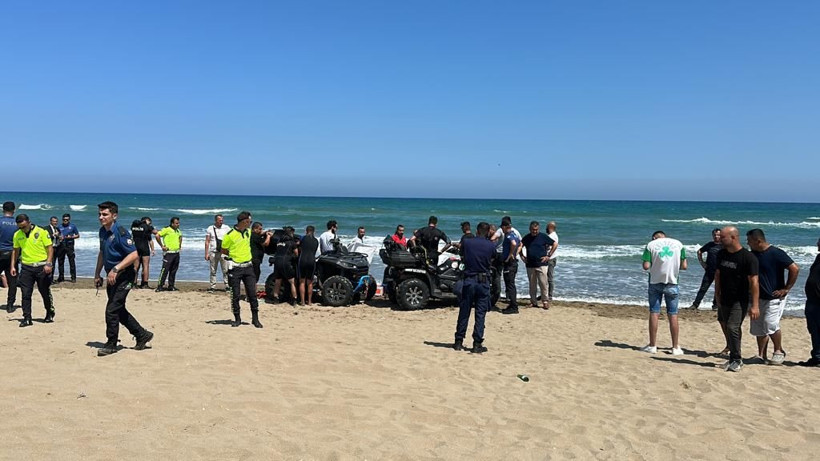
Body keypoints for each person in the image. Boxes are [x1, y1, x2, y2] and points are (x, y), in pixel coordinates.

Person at [94, 201, 154, 356]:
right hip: (111, 276)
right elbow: (102, 253)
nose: (101, 217)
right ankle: (142, 334)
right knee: (118, 309)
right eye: (100, 214)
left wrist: (116, 269)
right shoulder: (102, 231)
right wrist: (97, 274)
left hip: (125, 275)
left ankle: (111, 344)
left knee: (111, 310)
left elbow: (134, 254)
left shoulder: (121, 233)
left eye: (105, 214)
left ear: (114, 216)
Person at [746, 229, 799, 365]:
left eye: (749, 241)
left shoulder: (776, 253)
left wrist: (786, 288)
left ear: (758, 241)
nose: (748, 243)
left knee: (770, 324)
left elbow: (794, 268)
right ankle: (761, 355)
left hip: (774, 297)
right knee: (758, 327)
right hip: (757, 297)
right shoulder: (752, 255)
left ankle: (778, 351)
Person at [715, 226, 759, 372]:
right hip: (725, 297)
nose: (720, 240)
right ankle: (733, 358)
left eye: (723, 237)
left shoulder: (748, 258)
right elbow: (718, 275)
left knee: (733, 327)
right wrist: (717, 293)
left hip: (740, 299)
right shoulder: (721, 254)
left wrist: (755, 305)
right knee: (727, 326)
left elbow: (754, 282)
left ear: (733, 237)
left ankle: (737, 359)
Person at [640, 230, 687, 355]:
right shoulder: (678, 244)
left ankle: (652, 345)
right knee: (673, 314)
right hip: (672, 282)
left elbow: (646, 266)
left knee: (654, 312)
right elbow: (684, 266)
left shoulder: (651, 245)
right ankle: (675, 347)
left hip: (655, 281)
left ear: (654, 237)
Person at [453, 222, 496, 354]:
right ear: (488, 232)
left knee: (464, 311)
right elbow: (492, 259)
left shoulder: (467, 243)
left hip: (469, 279)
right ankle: (477, 343)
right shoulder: (491, 245)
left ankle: (459, 341)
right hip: (483, 281)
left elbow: (462, 256)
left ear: (477, 231)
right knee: (480, 313)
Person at [10, 214, 55, 327]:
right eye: (20, 227)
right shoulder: (17, 235)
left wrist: (48, 263)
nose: (22, 229)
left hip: (42, 266)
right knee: (25, 293)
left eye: (24, 226)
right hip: (26, 267)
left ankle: (49, 313)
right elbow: (15, 251)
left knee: (44, 291)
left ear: (29, 222)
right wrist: (13, 266)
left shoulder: (42, 231)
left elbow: (50, 248)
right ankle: (27, 317)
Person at [221, 211, 262, 328]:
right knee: (235, 295)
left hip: (248, 267)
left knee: (252, 294)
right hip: (235, 268)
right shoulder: (230, 235)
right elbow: (223, 249)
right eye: (249, 221)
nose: (250, 224)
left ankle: (255, 319)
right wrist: (234, 256)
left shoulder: (248, 232)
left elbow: (259, 236)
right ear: (244, 222)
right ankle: (237, 319)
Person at [521, 221, 556, 310]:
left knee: (543, 284)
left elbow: (555, 244)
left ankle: (545, 301)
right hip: (530, 264)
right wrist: (522, 256)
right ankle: (533, 302)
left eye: (536, 230)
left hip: (542, 264)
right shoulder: (527, 237)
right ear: (530, 229)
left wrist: (549, 255)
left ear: (538, 229)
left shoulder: (543, 236)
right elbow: (520, 245)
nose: (535, 231)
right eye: (533, 230)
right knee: (532, 284)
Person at [799, 236, 820, 367]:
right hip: (812, 300)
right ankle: (817, 356)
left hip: (818, 301)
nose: (817, 243)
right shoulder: (818, 258)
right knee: (813, 329)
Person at [689, 228, 722, 309]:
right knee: (703, 288)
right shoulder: (710, 245)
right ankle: (695, 305)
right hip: (709, 270)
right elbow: (699, 252)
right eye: (714, 235)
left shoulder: (725, 245)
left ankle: (715, 305)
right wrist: (702, 263)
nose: (716, 236)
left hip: (721, 271)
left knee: (718, 289)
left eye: (718, 235)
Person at [272, 226, 298, 306]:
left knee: (278, 281)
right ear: (291, 233)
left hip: (277, 261)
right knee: (292, 282)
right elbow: (296, 253)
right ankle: (294, 299)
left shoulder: (279, 241)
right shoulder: (292, 242)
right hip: (286, 262)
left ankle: (275, 298)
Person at [0, 201, 19, 312]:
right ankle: (10, 305)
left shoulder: (0, 221)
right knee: (12, 281)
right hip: (13, 254)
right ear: (14, 210)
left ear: (3, 209)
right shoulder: (17, 223)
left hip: (0, 251)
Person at [500, 219, 521, 315]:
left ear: (505, 227)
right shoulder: (514, 234)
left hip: (510, 263)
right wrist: (515, 253)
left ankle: (514, 306)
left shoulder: (509, 235)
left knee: (510, 285)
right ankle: (512, 304)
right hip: (513, 262)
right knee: (510, 284)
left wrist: (510, 255)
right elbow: (520, 244)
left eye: (502, 227)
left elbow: (513, 244)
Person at [205, 214, 231, 292]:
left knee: (226, 270)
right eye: (219, 220)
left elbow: (231, 238)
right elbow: (207, 241)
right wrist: (206, 253)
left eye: (222, 220)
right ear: (216, 220)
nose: (221, 221)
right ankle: (212, 286)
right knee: (213, 270)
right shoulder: (210, 228)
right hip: (213, 252)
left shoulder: (226, 228)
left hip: (224, 252)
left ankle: (227, 286)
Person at [156, 217, 182, 291]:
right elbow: (157, 235)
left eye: (178, 223)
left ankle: (171, 286)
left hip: (176, 253)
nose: (178, 224)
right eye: (176, 223)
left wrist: (179, 246)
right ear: (172, 223)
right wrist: (162, 246)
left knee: (173, 270)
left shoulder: (178, 230)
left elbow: (180, 236)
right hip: (168, 253)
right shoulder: (166, 229)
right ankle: (160, 286)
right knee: (165, 270)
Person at [131, 217, 156, 289]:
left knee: (135, 267)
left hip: (136, 248)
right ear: (146, 220)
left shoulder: (134, 226)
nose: (150, 223)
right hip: (144, 248)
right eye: (149, 222)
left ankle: (134, 283)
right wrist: (153, 250)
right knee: (145, 266)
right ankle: (144, 284)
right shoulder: (147, 227)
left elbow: (132, 237)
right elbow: (155, 233)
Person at [299, 225, 319, 305]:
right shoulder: (316, 241)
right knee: (310, 282)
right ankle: (310, 301)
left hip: (303, 260)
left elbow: (299, 246)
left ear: (306, 231)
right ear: (314, 231)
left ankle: (303, 301)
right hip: (311, 260)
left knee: (302, 282)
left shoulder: (303, 238)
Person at [56, 213, 80, 283]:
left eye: (67, 219)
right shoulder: (59, 226)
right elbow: (57, 235)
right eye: (64, 219)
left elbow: (78, 235)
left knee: (71, 262)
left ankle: (73, 277)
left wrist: (71, 237)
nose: (65, 221)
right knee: (60, 262)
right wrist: (58, 236)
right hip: (61, 245)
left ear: (69, 219)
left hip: (70, 246)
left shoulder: (72, 226)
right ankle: (61, 277)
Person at [545, 221, 560, 301]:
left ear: (550, 227)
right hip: (551, 258)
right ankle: (546, 294)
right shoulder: (553, 235)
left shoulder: (552, 236)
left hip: (550, 259)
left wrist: (549, 254)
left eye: (547, 227)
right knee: (546, 277)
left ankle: (550, 295)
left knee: (549, 277)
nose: (546, 229)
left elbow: (554, 245)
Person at [47, 216, 62, 283]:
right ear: (50, 221)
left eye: (56, 221)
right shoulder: (47, 228)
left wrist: (59, 237)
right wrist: (53, 235)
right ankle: (48, 279)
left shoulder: (57, 229)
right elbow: (45, 237)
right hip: (50, 247)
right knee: (50, 263)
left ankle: (51, 278)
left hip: (56, 247)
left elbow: (59, 237)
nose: (55, 223)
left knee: (54, 263)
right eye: (54, 221)